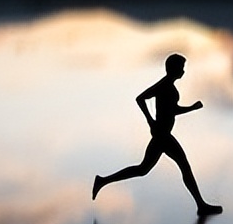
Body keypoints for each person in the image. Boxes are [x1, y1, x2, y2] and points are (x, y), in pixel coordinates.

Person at [93, 53, 222, 215]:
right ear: (173, 69)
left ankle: (103, 180)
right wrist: (150, 120)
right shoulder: (164, 85)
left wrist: (190, 108)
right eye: (181, 68)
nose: (183, 71)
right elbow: (141, 98)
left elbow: (171, 110)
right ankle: (201, 205)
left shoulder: (169, 87)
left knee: (143, 169)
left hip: (162, 135)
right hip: (162, 135)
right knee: (183, 166)